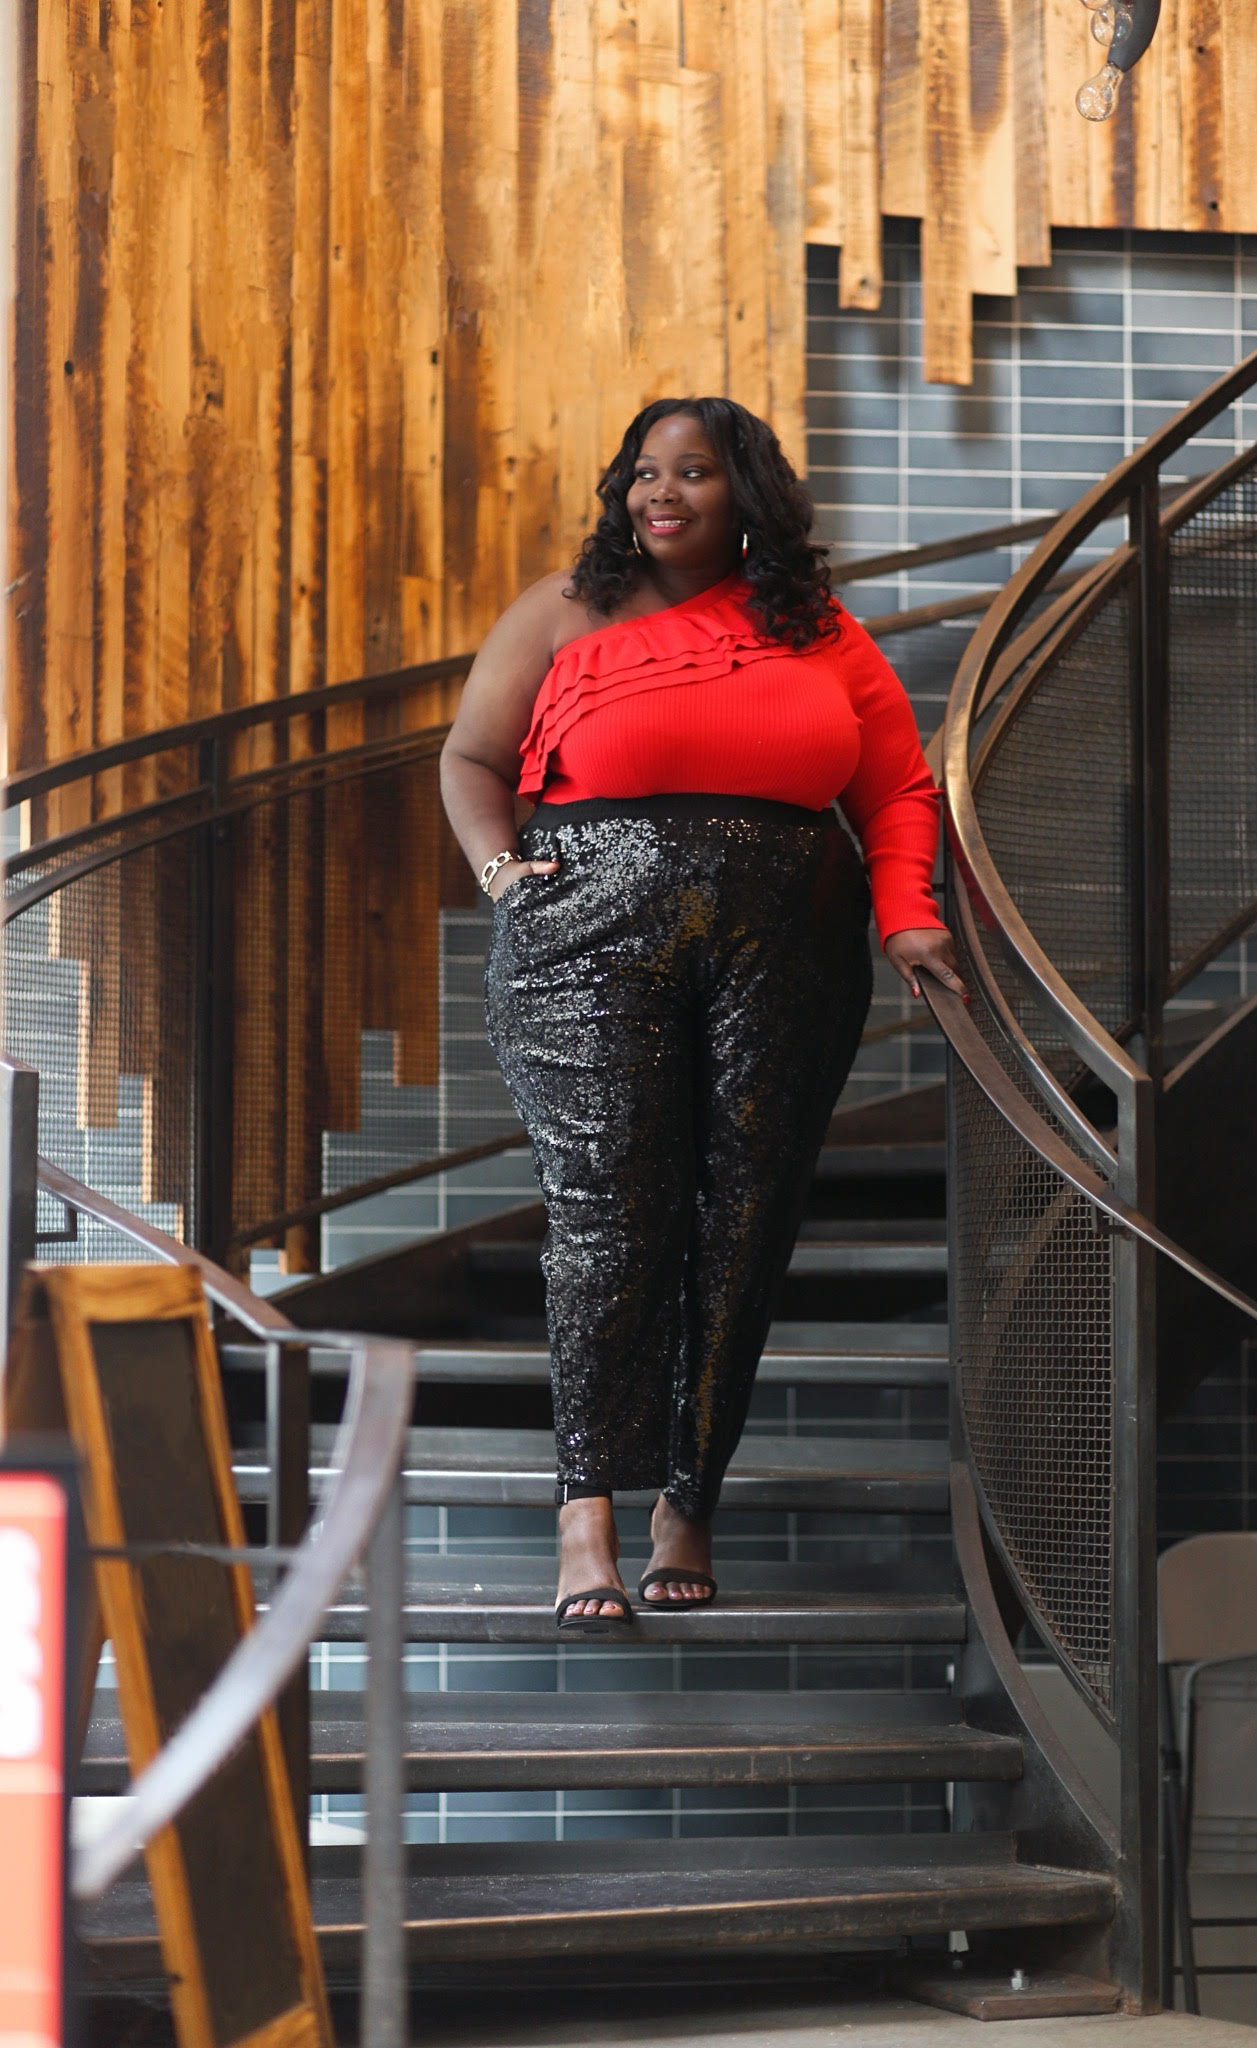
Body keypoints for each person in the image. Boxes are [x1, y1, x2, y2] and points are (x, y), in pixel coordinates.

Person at [440, 397, 966, 1635]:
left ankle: (690, 1494)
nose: (659, 492)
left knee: (744, 1213)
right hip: (584, 940)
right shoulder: (560, 609)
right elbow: (471, 757)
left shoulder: (816, 627)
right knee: (612, 1207)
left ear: (749, 494)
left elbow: (894, 785)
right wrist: (501, 874)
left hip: (789, 943)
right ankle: (588, 1507)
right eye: (643, 471)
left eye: (693, 470)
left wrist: (905, 914)